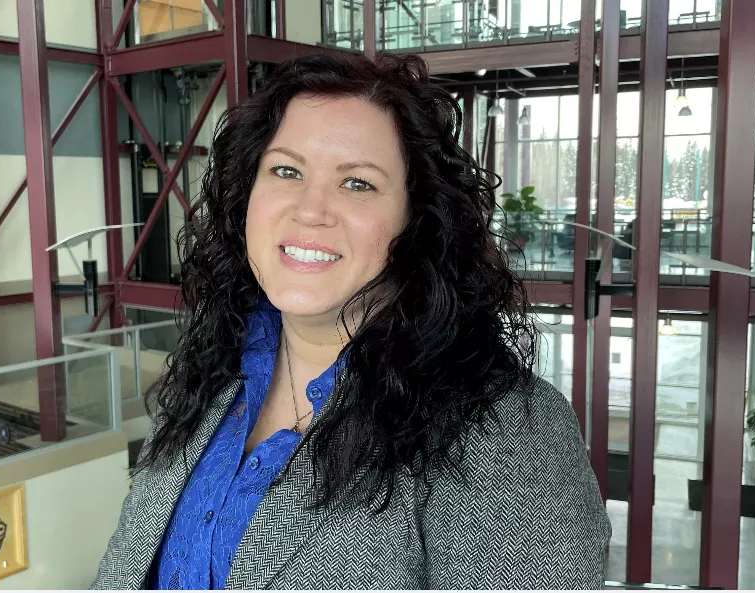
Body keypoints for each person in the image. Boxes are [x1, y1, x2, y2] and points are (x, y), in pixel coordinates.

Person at [92, 52, 611, 590]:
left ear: (418, 218)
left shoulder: (505, 430)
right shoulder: (212, 369)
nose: (310, 208)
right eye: (286, 170)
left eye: (357, 183)